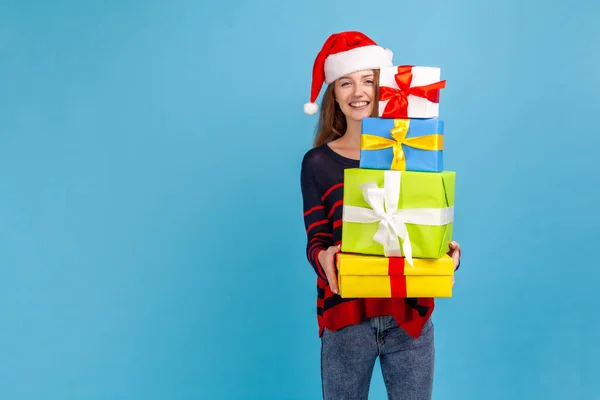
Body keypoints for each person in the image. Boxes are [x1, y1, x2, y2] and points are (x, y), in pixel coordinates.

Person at [300, 31, 462, 400]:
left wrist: (445, 251)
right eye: (345, 82)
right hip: (345, 317)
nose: (357, 92)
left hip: (410, 316)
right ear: (334, 93)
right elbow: (317, 241)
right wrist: (324, 258)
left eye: (368, 80)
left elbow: (425, 222)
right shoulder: (318, 163)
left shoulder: (412, 152)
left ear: (384, 87)